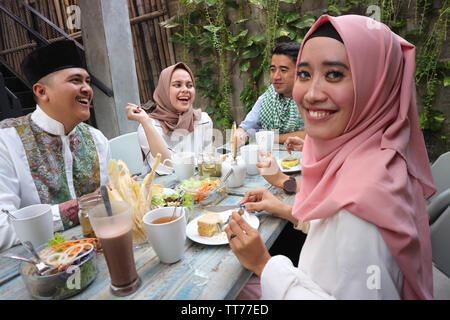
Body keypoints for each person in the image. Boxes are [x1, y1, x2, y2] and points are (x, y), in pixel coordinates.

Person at [225, 15, 435, 300]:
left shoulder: (368, 198)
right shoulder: (373, 157)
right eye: (305, 74)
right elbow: (335, 231)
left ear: (376, 85)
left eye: (334, 74)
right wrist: (284, 208)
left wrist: (264, 264)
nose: (311, 95)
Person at [0, 40, 110, 251]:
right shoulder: (7, 141)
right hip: (38, 268)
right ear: (41, 92)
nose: (87, 89)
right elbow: (2, 229)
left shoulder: (97, 139)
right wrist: (74, 209)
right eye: (76, 80)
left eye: (87, 81)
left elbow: (107, 207)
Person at [125, 62, 213, 175]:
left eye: (190, 85)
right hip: (161, 189)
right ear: (164, 90)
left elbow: (208, 163)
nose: (185, 89)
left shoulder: (203, 120)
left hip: (199, 188)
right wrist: (146, 122)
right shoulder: (148, 126)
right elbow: (167, 168)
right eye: (177, 85)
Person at [235, 42, 306, 147]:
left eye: (283, 70)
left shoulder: (310, 98)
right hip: (270, 160)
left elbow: (311, 135)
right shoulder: (267, 99)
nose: (276, 76)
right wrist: (240, 135)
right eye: (273, 70)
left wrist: (271, 137)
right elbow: (246, 127)